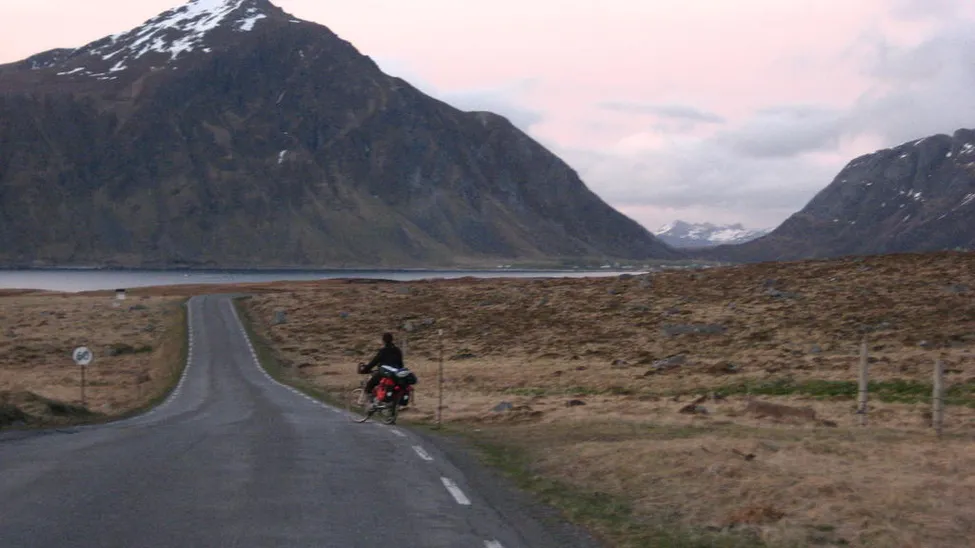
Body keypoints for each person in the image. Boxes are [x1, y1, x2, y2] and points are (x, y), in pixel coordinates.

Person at [359, 332, 404, 401]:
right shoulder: (397, 350)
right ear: (392, 340)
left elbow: (374, 362)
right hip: (396, 374)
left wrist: (365, 369)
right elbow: (401, 364)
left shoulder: (383, 350)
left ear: (383, 341)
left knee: (370, 385)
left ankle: (371, 401)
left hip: (384, 373)